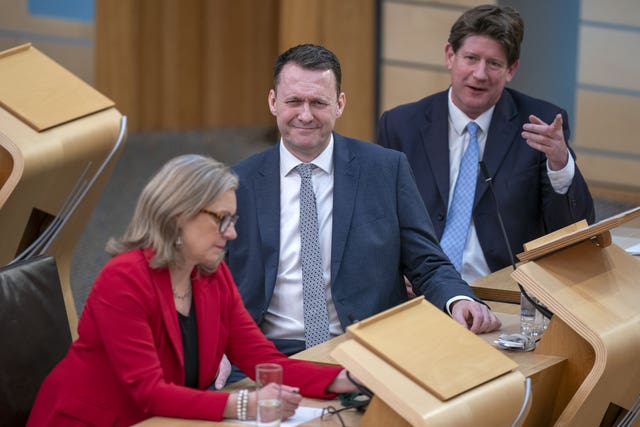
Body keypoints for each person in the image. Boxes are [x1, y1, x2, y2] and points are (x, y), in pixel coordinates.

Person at [27, 155, 357, 426]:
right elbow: (150, 392)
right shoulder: (123, 280)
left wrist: (347, 380)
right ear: (178, 215)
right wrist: (244, 403)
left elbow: (262, 359)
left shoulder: (212, 275)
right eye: (221, 219)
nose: (232, 234)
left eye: (233, 219)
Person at [223, 43, 500, 368]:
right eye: (294, 101)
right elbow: (208, 279)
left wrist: (459, 300)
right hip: (263, 357)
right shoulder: (236, 183)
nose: (306, 114)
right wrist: (217, 347)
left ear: (340, 104)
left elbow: (427, 262)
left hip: (365, 351)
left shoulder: (385, 169)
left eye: (319, 102)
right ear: (273, 102)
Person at [377, 4, 595, 284]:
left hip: (503, 293)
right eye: (471, 58)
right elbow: (378, 218)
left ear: (511, 70)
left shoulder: (540, 126)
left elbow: (574, 229)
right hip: (421, 290)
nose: (480, 74)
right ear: (450, 56)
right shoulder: (401, 125)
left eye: (493, 64)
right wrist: (395, 269)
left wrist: (560, 164)